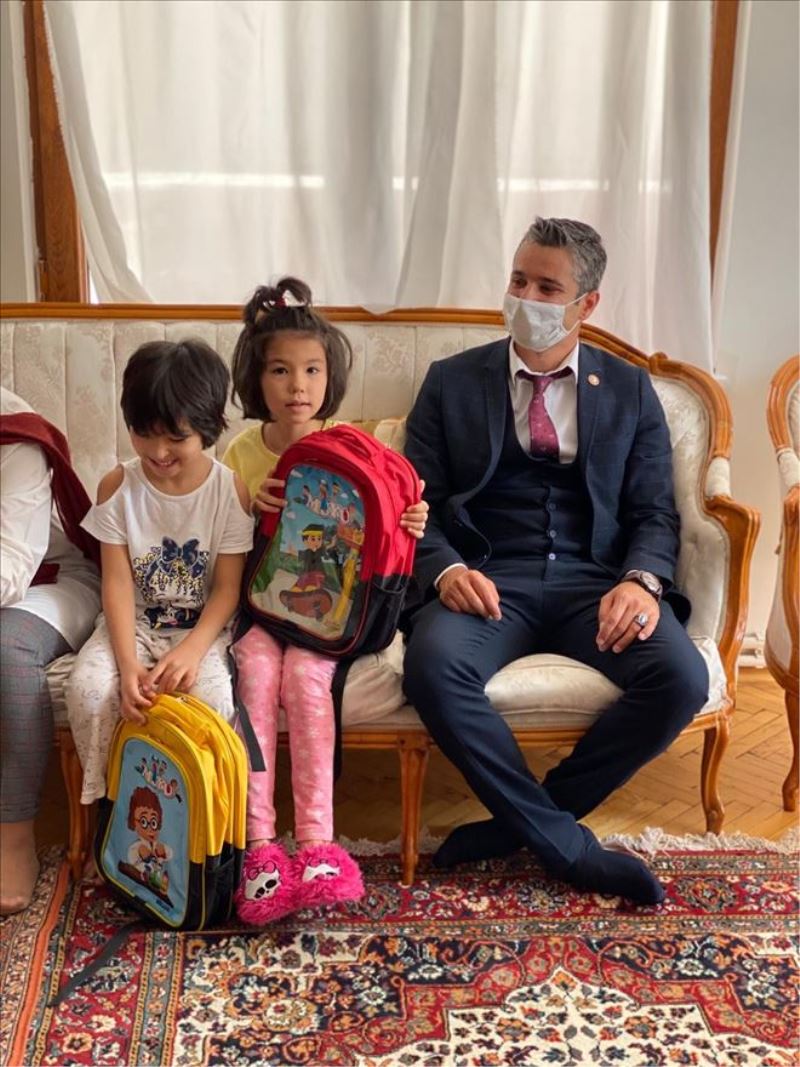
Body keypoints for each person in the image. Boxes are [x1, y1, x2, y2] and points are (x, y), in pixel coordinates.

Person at [402, 217, 709, 906]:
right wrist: (447, 570)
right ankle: (571, 849)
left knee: (680, 677)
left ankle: (515, 828)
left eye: (547, 288)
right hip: (487, 578)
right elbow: (415, 501)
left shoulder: (629, 390)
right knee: (432, 667)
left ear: (586, 304)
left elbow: (655, 512)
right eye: (519, 280)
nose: (526, 298)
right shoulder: (451, 382)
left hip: (593, 581)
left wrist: (641, 581)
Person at [223, 277, 428, 925]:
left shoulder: (352, 443)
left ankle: (317, 843)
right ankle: (259, 844)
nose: (298, 385)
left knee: (307, 679)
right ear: (256, 379)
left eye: (312, 369)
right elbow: (225, 545)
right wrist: (249, 508)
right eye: (280, 370)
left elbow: (395, 519)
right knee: (256, 671)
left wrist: (414, 519)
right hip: (261, 607)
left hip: (332, 616)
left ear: (330, 375)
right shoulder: (241, 452)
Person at [65, 340, 254, 809]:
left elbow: (227, 589)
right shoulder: (117, 486)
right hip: (132, 625)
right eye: (143, 434)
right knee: (89, 689)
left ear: (208, 427)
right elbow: (117, 582)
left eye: (176, 438)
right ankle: (111, 806)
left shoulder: (228, 490)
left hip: (200, 630)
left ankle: (202, 813)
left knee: (214, 699)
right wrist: (128, 663)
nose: (159, 451)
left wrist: (191, 651)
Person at [0, 388, 101, 914]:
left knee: (7, 647)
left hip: (50, 579)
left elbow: (13, 563)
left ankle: (14, 834)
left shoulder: (15, 435)